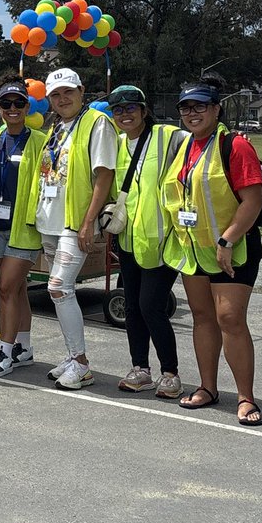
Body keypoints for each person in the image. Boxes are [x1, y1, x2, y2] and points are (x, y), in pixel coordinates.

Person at [161, 75, 262, 426]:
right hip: (194, 250)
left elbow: (253, 199)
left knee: (230, 319)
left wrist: (229, 239)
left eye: (200, 105)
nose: (192, 113)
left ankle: (246, 397)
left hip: (231, 249)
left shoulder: (234, 146)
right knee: (203, 317)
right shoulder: (184, 147)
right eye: (186, 107)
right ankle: (207, 388)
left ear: (216, 109)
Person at [35, 68, 117, 391]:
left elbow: (104, 175)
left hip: (74, 223)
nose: (62, 99)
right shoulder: (57, 126)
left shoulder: (97, 123)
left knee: (58, 287)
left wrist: (88, 222)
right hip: (51, 221)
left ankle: (81, 363)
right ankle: (71, 356)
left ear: (82, 90)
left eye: (68, 92)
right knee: (59, 294)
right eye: (55, 95)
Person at [108, 84, 187, 399]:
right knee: (133, 306)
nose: (125, 114)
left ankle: (171, 373)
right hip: (129, 241)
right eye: (118, 109)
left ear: (143, 110)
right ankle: (140, 368)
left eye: (131, 108)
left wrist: (234, 139)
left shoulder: (168, 136)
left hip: (164, 239)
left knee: (150, 305)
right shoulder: (116, 144)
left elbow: (202, 142)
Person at [0, 77, 48, 379]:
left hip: (25, 227)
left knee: (5, 288)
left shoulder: (40, 140)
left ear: (27, 105)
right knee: (16, 289)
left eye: (19, 102)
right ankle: (24, 347)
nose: (13, 108)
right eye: (7, 103)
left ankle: (4, 352)